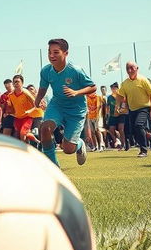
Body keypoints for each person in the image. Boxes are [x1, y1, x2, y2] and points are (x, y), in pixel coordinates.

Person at [33, 38, 96, 167]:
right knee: (44, 129)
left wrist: (76, 92)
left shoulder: (75, 70)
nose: (51, 56)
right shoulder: (46, 71)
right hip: (57, 106)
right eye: (49, 52)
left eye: (56, 52)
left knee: (68, 149)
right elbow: (43, 88)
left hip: (76, 110)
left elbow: (93, 87)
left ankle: (79, 144)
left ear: (65, 53)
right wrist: (37, 100)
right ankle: (53, 166)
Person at [116, 62, 151, 158]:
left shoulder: (143, 80)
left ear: (137, 68)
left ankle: (144, 150)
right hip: (132, 109)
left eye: (132, 68)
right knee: (134, 130)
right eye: (127, 68)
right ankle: (150, 136)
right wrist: (119, 106)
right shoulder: (125, 83)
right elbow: (120, 95)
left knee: (138, 125)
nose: (129, 70)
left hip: (144, 108)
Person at [6, 75, 38, 143]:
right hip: (18, 118)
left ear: (22, 83)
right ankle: (36, 142)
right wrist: (8, 112)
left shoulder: (26, 92)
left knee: (22, 134)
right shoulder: (10, 95)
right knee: (21, 135)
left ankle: (25, 150)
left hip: (27, 117)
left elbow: (36, 104)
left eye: (17, 82)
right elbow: (12, 108)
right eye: (14, 82)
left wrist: (30, 110)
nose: (16, 84)